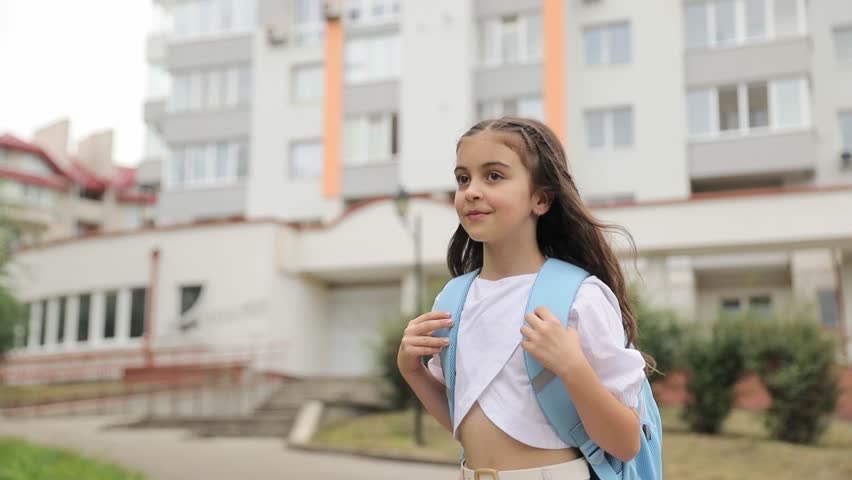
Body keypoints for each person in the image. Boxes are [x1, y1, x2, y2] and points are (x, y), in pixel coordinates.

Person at [397, 117, 650, 479]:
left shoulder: (580, 297)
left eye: (494, 176)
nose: (471, 191)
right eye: (463, 178)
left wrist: (573, 367)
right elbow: (463, 421)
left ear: (541, 198)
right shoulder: (453, 299)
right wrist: (412, 371)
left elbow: (626, 443)